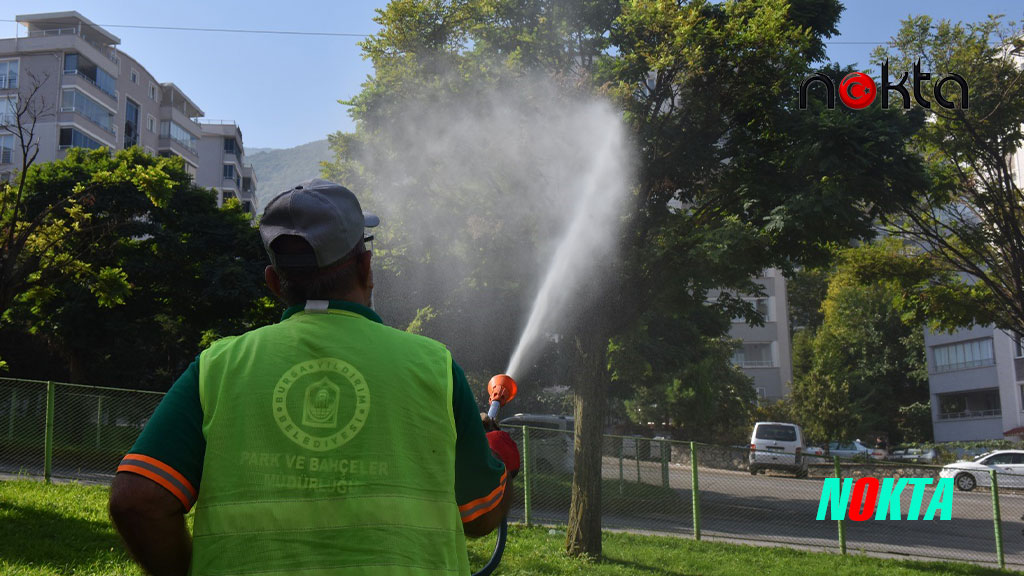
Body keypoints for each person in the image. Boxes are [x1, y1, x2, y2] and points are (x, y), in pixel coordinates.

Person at [109, 179, 519, 576]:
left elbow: (137, 500)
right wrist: (501, 457)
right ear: (366, 266)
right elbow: (479, 514)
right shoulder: (434, 366)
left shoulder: (219, 365)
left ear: (274, 283)